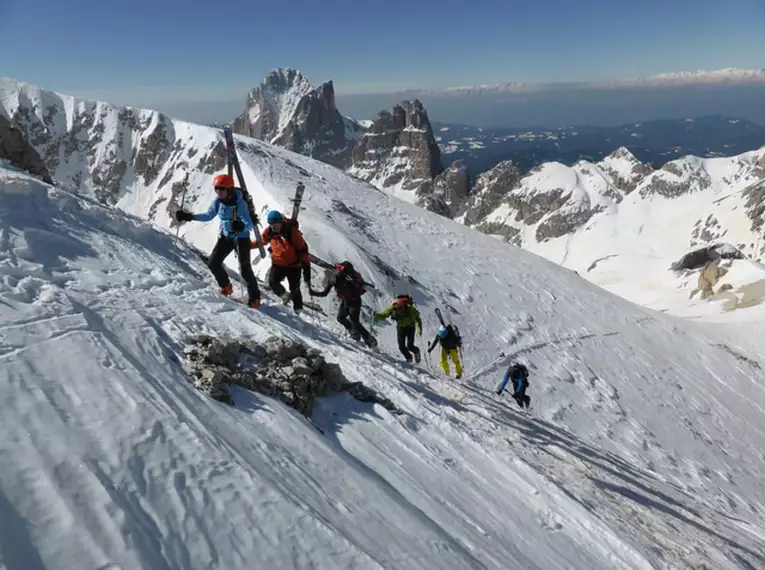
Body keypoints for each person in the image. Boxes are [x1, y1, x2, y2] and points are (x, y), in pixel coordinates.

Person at [175, 173, 261, 308]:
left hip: (241, 238)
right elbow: (208, 215)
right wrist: (189, 216)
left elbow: (249, 222)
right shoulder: (218, 201)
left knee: (245, 269)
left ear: (229, 189)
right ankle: (226, 286)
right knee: (213, 263)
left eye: (222, 189)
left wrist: (241, 226)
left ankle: (255, 297)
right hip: (226, 236)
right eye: (216, 188)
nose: (218, 192)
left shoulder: (240, 203)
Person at [309, 261, 377, 348]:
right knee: (343, 319)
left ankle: (368, 339)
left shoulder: (337, 279)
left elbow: (324, 293)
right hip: (352, 301)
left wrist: (313, 293)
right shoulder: (347, 278)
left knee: (351, 321)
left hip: (351, 301)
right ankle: (357, 334)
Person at [258, 210, 311, 313]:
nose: (273, 227)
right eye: (271, 224)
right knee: (273, 282)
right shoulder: (269, 231)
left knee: (294, 288)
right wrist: (247, 245)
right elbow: (262, 241)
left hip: (294, 266)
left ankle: (298, 309)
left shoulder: (292, 233)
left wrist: (306, 271)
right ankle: (285, 296)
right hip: (278, 264)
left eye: (275, 224)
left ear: (281, 222)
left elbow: (303, 251)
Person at [373, 294, 422, 363]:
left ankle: (416, 352)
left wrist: (419, 329)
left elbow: (418, 319)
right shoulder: (392, 308)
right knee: (401, 347)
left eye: (400, 308)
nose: (398, 310)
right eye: (396, 308)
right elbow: (384, 314)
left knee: (410, 346)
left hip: (410, 327)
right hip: (400, 328)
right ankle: (409, 358)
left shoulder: (410, 309)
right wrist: (376, 316)